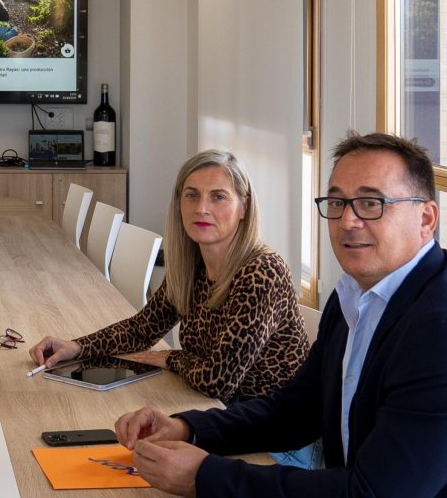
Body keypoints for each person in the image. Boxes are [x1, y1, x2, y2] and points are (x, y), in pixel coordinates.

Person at [114, 132, 447, 498]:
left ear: (426, 218)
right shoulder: (356, 293)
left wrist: (206, 477)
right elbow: (297, 410)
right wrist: (188, 428)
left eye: (371, 203)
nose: (348, 221)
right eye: (336, 202)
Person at [29, 150, 309, 404]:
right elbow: (142, 329)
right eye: (192, 195)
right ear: (179, 203)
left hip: (272, 435)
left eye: (218, 196)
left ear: (244, 208)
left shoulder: (262, 272)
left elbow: (218, 381)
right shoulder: (193, 264)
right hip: (216, 412)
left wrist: (168, 357)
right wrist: (77, 347)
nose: (202, 208)